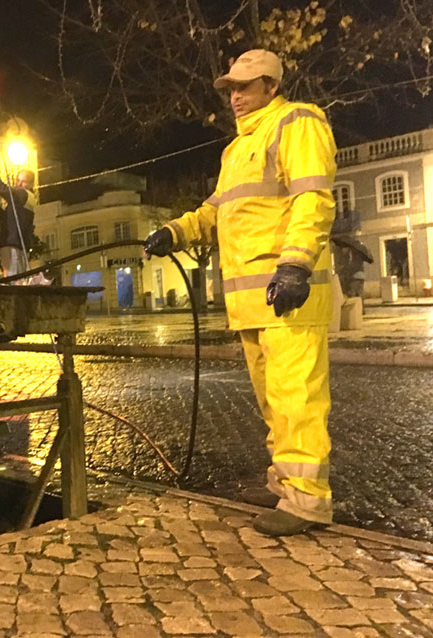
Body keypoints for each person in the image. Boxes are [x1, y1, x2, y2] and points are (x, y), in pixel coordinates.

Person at [144, 49, 337, 536]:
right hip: (253, 301)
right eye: (231, 87)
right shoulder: (235, 152)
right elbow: (214, 211)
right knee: (274, 401)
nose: (235, 96)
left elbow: (312, 197)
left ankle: (309, 502)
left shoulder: (297, 123)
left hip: (288, 292)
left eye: (245, 87)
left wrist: (295, 263)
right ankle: (285, 483)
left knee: (297, 397)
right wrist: (176, 230)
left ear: (272, 87)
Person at [0, 169, 37, 280]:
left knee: (14, 279)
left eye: (23, 181)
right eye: (18, 180)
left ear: (30, 184)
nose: (18, 184)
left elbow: (4, 190)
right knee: (16, 279)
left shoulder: (24, 194)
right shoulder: (27, 199)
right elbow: (14, 219)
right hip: (16, 244)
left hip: (13, 245)